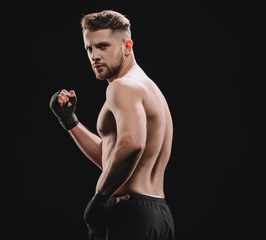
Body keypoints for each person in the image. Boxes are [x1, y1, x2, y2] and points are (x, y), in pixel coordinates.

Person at [50, 10, 174, 240]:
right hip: (157, 215)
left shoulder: (121, 87)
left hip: (128, 215)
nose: (94, 55)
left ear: (127, 46)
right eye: (89, 48)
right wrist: (70, 121)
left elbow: (133, 145)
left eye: (103, 46)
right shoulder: (149, 89)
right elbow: (114, 157)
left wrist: (99, 199)